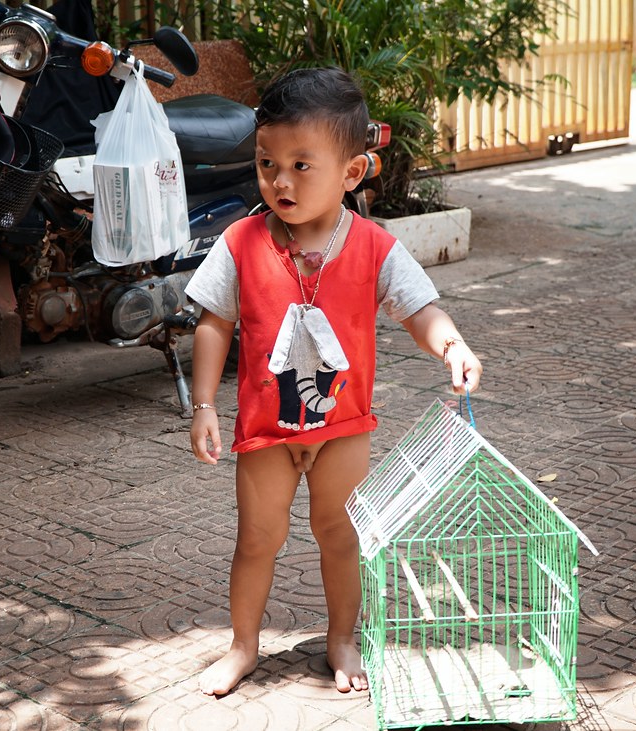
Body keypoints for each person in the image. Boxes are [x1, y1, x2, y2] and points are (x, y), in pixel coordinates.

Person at [184, 66, 483, 697]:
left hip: (344, 429)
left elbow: (419, 309)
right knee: (256, 539)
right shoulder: (240, 242)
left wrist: (451, 345)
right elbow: (213, 324)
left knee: (339, 535)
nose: (280, 180)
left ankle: (343, 638)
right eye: (267, 163)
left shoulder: (375, 247)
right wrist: (205, 404)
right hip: (264, 431)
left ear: (350, 173)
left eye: (301, 164)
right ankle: (242, 647)